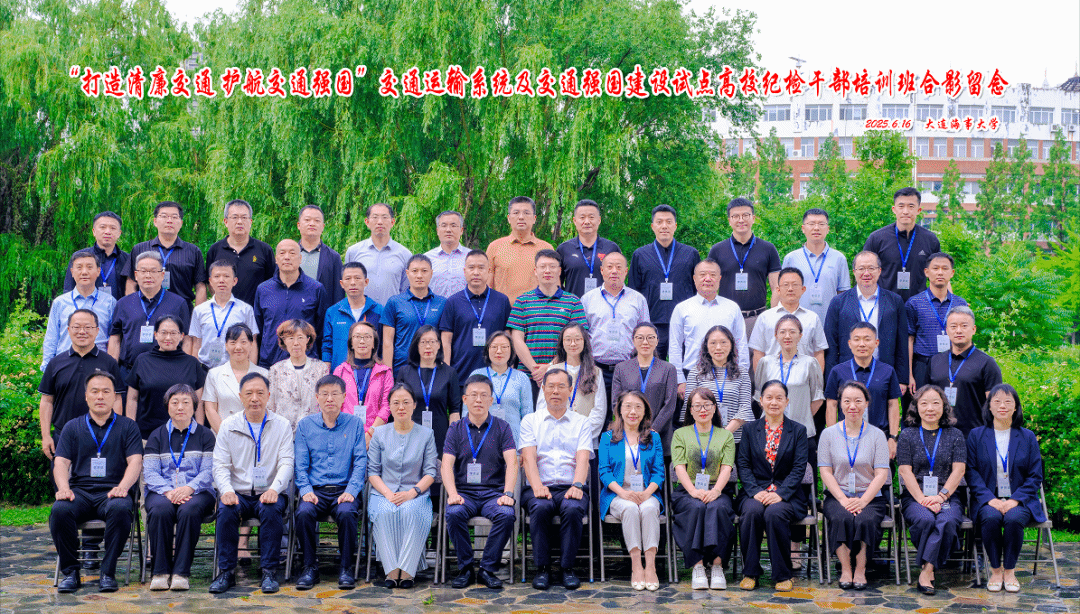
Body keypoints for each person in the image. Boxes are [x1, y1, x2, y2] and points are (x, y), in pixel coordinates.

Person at [50, 370, 143, 593]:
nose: (100, 396)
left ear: (115, 397)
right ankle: (71, 573)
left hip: (113, 492)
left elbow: (135, 461)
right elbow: (61, 462)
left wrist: (123, 487)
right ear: (86, 396)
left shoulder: (128, 426)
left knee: (121, 509)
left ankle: (107, 572)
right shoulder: (72, 427)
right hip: (80, 492)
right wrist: (64, 488)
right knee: (60, 510)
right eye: (95, 391)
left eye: (106, 391)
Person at [209, 372, 294, 594]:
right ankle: (226, 572)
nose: (254, 398)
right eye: (249, 393)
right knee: (226, 511)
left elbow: (286, 462)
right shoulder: (229, 425)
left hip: (270, 491)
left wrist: (275, 489)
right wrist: (226, 490)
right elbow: (220, 464)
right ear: (240, 397)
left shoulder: (282, 425)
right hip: (238, 492)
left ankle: (269, 572)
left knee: (271, 510)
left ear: (268, 396)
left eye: (260, 393)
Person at [966, 384, 1045, 594]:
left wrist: (1015, 499)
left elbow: (1035, 475)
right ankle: (995, 571)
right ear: (989, 406)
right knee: (990, 517)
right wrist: (989, 499)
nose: (1003, 405)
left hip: (1020, 499)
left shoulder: (1027, 437)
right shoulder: (976, 435)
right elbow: (971, 471)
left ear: (1015, 407)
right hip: (988, 499)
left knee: (1013, 518)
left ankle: (1009, 571)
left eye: (1008, 401)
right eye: (997, 401)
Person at [442, 375, 519, 590]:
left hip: (493, 494)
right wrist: (452, 493)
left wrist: (508, 493)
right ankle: (466, 568)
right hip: (464, 493)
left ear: (491, 400)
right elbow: (446, 465)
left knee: (506, 514)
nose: (478, 400)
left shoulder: (502, 427)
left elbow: (512, 463)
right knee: (454, 513)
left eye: (484, 395)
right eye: (474, 395)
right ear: (464, 399)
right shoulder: (455, 428)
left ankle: (487, 569)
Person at [519, 368, 593, 591]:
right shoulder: (531, 420)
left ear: (570, 391)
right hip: (539, 485)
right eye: (550, 386)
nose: (555, 391)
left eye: (561, 386)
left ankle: (566, 568)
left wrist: (577, 485)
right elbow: (528, 458)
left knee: (573, 509)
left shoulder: (582, 422)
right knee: (540, 507)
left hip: (571, 485)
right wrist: (537, 486)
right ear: (543, 389)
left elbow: (583, 458)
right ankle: (542, 569)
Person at [293, 375, 368, 590]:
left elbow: (360, 461)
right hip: (315, 490)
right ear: (317, 397)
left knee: (347, 513)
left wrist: (351, 490)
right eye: (324, 394)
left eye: (335, 394)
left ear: (344, 397)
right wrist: (305, 490)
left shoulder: (355, 424)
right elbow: (300, 464)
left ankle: (346, 568)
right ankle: (309, 567)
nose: (329, 399)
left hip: (344, 490)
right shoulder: (305, 425)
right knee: (304, 513)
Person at [735, 380, 809, 592]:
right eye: (769, 397)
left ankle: (782, 574)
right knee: (751, 512)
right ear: (761, 401)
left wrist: (781, 493)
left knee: (775, 513)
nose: (774, 402)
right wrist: (755, 491)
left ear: (787, 401)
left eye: (779, 398)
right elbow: (743, 464)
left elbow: (799, 467)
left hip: (788, 494)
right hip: (755, 491)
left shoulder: (798, 430)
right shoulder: (750, 429)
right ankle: (750, 572)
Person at [143, 384, 216, 591]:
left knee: (189, 509)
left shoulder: (205, 435)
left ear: (194, 406)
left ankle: (181, 573)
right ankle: (160, 572)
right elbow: (150, 473)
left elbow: (208, 471)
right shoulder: (156, 435)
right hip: (162, 491)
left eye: (185, 402)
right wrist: (168, 491)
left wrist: (189, 488)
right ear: (168, 407)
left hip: (199, 492)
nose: (180, 407)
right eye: (175, 402)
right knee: (160, 509)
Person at [818, 381, 890, 591]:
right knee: (841, 517)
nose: (852, 406)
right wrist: (843, 499)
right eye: (847, 401)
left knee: (865, 520)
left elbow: (881, 474)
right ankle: (846, 568)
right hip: (838, 495)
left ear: (866, 403)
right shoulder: (828, 434)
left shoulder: (877, 435)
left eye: (858, 401)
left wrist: (863, 501)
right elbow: (825, 472)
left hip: (870, 497)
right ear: (840, 403)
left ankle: (860, 569)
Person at [897, 385, 966, 596]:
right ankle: (931, 565)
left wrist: (941, 496)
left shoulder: (955, 435)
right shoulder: (907, 435)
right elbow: (905, 470)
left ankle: (927, 570)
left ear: (944, 406)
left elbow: (959, 469)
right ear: (916, 407)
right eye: (924, 403)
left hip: (948, 495)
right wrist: (922, 499)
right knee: (925, 519)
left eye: (936, 403)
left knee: (948, 520)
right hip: (915, 496)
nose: (930, 408)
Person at [367, 384, 438, 589]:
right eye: (396, 403)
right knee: (384, 512)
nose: (401, 407)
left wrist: (412, 493)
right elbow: (372, 472)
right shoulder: (379, 433)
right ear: (389, 406)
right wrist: (388, 494)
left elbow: (430, 472)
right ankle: (391, 571)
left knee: (412, 512)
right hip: (383, 493)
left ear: (414, 405)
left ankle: (407, 571)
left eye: (406, 402)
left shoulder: (426, 434)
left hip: (416, 494)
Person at [671, 386, 736, 590]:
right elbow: (679, 467)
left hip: (718, 489)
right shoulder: (680, 434)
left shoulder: (725, 436)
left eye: (707, 405)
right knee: (696, 507)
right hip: (687, 490)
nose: (702, 410)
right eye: (697, 406)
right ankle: (697, 565)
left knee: (719, 508)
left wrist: (716, 491)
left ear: (715, 408)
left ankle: (717, 565)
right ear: (690, 410)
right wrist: (693, 491)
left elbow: (727, 468)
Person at [598, 391, 665, 591]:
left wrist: (647, 493)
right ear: (619, 410)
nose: (632, 411)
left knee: (649, 509)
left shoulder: (653, 437)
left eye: (638, 407)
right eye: (627, 406)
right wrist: (623, 493)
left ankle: (650, 566)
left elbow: (659, 472)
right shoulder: (608, 437)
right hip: (617, 494)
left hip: (647, 493)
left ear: (645, 412)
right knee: (630, 509)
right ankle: (636, 566)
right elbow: (604, 471)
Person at [39, 309, 125, 460]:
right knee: (61, 475)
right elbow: (47, 401)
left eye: (88, 327)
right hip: (63, 436)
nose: (82, 332)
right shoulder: (56, 363)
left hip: (101, 436)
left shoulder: (109, 363)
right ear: (68, 330)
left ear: (97, 331)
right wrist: (46, 436)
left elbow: (117, 399)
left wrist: (114, 433)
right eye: (77, 327)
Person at [823, 251, 909, 394]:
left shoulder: (894, 301)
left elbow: (902, 342)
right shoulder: (838, 302)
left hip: (884, 371)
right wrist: (831, 379)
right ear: (854, 272)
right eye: (861, 268)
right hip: (847, 373)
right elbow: (831, 343)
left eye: (871, 268)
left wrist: (902, 378)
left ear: (879, 271)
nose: (866, 273)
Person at [507, 249, 589, 392]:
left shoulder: (573, 301)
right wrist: (535, 370)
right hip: (528, 376)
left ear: (559, 271)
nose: (547, 271)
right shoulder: (522, 301)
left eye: (552, 266)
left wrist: (550, 367)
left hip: (564, 376)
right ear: (535, 271)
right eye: (543, 266)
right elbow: (517, 339)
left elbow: (578, 339)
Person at [628, 204, 701, 360]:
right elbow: (633, 292)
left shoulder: (690, 254)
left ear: (675, 226)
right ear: (652, 226)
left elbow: (698, 290)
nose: (664, 226)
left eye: (669, 222)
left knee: (685, 366)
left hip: (684, 323)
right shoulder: (640, 255)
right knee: (652, 367)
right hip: (652, 324)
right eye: (659, 222)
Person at [669, 259, 749, 396]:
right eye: (702, 274)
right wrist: (679, 380)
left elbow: (740, 343)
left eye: (712, 275)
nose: (708, 279)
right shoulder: (682, 308)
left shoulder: (732, 308)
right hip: (692, 374)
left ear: (719, 279)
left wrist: (742, 373)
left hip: (727, 374)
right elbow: (674, 345)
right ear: (694, 279)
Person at [108, 251, 191, 381]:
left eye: (153, 271)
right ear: (136, 275)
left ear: (162, 275)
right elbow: (115, 339)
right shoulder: (123, 303)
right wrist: (111, 372)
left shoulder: (178, 303)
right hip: (128, 372)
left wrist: (183, 370)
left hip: (166, 372)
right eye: (143, 271)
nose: (148, 275)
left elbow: (186, 339)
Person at [581, 251, 650, 402]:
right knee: (598, 412)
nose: (614, 271)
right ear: (602, 270)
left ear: (626, 271)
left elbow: (646, 336)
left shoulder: (638, 299)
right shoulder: (587, 299)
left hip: (630, 369)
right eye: (610, 267)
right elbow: (582, 336)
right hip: (596, 369)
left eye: (619, 267)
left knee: (628, 410)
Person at [825, 323, 902, 456]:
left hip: (879, 437)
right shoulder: (837, 371)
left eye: (867, 339)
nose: (862, 344)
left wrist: (893, 437)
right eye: (857, 339)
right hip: (846, 438)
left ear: (876, 343)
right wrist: (834, 438)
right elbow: (831, 406)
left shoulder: (887, 371)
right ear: (850, 344)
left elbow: (893, 405)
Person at [708, 198, 782, 335]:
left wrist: (773, 318)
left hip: (757, 319)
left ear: (753, 218)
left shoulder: (768, 249)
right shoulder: (717, 250)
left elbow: (776, 288)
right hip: (725, 319)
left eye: (745, 215)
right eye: (735, 216)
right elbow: (709, 287)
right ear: (729, 220)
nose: (741, 220)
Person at [126, 315, 207, 439]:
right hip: (147, 435)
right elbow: (132, 398)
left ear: (181, 336)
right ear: (155, 335)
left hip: (185, 436)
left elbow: (199, 402)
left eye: (173, 333)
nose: (168, 338)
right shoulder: (142, 360)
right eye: (163, 333)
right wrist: (132, 430)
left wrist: (199, 431)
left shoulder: (192, 363)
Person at [438, 250, 512, 383]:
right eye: (471, 268)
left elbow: (509, 337)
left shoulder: (502, 301)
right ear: (464, 271)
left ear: (489, 271)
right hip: (460, 375)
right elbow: (446, 341)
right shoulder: (453, 302)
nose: (476, 272)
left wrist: (509, 369)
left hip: (496, 375)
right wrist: (446, 373)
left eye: (481, 268)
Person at [928, 306, 1001, 436]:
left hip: (974, 436)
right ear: (947, 330)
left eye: (964, 326)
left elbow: (995, 405)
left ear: (973, 329)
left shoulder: (987, 363)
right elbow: (926, 400)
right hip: (939, 435)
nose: (958, 330)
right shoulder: (935, 361)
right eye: (953, 326)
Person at [534, 324, 607, 452]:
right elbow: (541, 407)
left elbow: (599, 410)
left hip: (586, 441)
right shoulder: (552, 370)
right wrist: (559, 433)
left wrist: (580, 434)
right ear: (562, 343)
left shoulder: (595, 372)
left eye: (577, 339)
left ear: (584, 341)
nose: (573, 343)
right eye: (568, 339)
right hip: (555, 441)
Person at [253, 239, 326, 367]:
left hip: (305, 364)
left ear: (300, 258)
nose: (287, 257)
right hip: (269, 362)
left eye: (292, 253)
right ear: (276, 259)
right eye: (282, 253)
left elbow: (320, 330)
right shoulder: (263, 290)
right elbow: (259, 328)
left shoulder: (316, 289)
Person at [862, 187, 942, 303]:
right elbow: (864, 274)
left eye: (911, 206)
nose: (905, 211)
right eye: (901, 206)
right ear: (894, 209)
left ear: (918, 210)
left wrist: (951, 303)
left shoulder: (930, 240)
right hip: (885, 304)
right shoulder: (877, 238)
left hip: (920, 305)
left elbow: (940, 275)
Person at [42, 250, 117, 370]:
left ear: (98, 271)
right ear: (72, 272)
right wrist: (47, 368)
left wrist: (111, 367)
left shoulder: (110, 302)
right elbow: (51, 338)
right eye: (79, 267)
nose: (84, 272)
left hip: (99, 368)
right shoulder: (60, 303)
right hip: (65, 366)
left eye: (89, 267)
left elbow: (114, 339)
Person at [611, 323, 679, 453]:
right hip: (629, 433)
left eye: (650, 338)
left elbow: (670, 404)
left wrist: (653, 430)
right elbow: (616, 402)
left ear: (657, 341)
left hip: (659, 434)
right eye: (640, 338)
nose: (645, 342)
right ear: (633, 341)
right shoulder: (621, 368)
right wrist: (632, 427)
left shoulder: (668, 369)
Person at [683, 325, 754, 444]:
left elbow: (745, 408)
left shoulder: (741, 373)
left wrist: (724, 434)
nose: (718, 347)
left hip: (735, 440)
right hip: (703, 439)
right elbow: (689, 407)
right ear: (706, 346)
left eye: (723, 342)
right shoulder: (696, 372)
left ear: (731, 345)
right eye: (713, 343)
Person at [125, 201, 206, 306]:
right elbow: (131, 282)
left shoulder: (193, 251)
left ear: (181, 223)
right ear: (155, 221)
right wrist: (134, 309)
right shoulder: (140, 249)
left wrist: (197, 314)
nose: (169, 221)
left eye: (174, 217)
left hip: (182, 310)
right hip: (146, 309)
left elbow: (200, 286)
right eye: (164, 216)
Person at [749, 267, 827, 375]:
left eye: (795, 285)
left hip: (804, 379)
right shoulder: (765, 318)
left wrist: (816, 382)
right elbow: (758, 353)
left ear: (803, 289)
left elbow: (819, 353)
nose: (790, 289)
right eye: (786, 285)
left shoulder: (812, 318)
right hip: (772, 380)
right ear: (778, 290)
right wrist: (761, 382)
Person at [906, 253, 968, 389]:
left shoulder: (960, 304)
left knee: (950, 402)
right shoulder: (914, 303)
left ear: (952, 273)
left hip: (952, 364)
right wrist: (909, 375)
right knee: (921, 401)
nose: (940, 272)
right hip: (922, 365)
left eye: (945, 268)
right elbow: (909, 340)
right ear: (926, 272)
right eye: (935, 268)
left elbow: (966, 339)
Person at [396, 325, 461, 454]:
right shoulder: (405, 372)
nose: (428, 346)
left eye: (432, 342)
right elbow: (397, 406)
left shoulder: (449, 373)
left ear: (439, 345)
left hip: (441, 435)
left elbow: (454, 410)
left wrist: (452, 439)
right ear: (416, 345)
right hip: (410, 434)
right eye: (423, 342)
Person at [781, 208, 850, 324]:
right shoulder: (791, 258)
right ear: (803, 228)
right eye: (811, 224)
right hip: (797, 324)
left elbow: (843, 295)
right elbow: (783, 293)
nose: (816, 228)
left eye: (821, 224)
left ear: (828, 229)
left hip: (830, 324)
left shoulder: (839, 258)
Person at [203, 199, 275, 306]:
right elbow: (210, 283)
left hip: (256, 312)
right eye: (235, 217)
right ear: (226, 222)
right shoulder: (215, 250)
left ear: (250, 222)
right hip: (224, 311)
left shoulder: (264, 250)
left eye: (244, 217)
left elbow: (272, 282)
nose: (239, 222)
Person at [188, 261, 259, 368]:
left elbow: (252, 343)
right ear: (210, 281)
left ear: (234, 281)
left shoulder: (245, 309)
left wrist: (251, 371)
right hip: (205, 369)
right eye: (217, 276)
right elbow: (196, 344)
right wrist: (195, 371)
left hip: (236, 369)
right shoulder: (199, 310)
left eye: (226, 276)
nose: (221, 280)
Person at [332, 321, 393, 444]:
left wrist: (370, 434)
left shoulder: (385, 372)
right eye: (357, 336)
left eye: (367, 337)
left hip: (376, 436)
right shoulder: (340, 371)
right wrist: (344, 432)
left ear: (374, 343)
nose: (362, 341)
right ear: (351, 343)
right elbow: (335, 404)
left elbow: (387, 406)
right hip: (345, 434)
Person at [382, 254, 447, 371]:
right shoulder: (394, 302)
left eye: (424, 271)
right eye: (415, 271)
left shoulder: (442, 303)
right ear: (407, 273)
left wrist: (444, 371)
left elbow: (446, 340)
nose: (419, 275)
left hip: (433, 369)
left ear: (431, 273)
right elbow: (387, 342)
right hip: (402, 368)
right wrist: (388, 374)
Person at [486, 196, 555, 303]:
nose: (521, 217)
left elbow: (552, 286)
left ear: (534, 218)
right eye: (516, 213)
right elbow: (487, 286)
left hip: (537, 310)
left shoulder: (546, 249)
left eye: (526, 213)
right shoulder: (495, 247)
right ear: (509, 218)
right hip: (504, 311)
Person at [203, 324, 269, 433]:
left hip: (255, 435)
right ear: (226, 345)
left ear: (251, 345)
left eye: (243, 342)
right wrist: (225, 436)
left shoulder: (264, 374)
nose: (238, 347)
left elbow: (269, 409)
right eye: (233, 342)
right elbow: (210, 409)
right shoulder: (214, 374)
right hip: (223, 434)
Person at [468, 331, 533, 441]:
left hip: (514, 442)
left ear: (511, 350)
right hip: (481, 442)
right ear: (487, 349)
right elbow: (467, 412)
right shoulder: (477, 376)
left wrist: (526, 446)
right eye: (494, 347)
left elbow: (528, 416)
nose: (499, 351)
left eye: (504, 347)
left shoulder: (522, 378)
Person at [267, 319, 329, 431]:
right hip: (283, 431)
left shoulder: (320, 368)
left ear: (308, 339)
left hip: (314, 430)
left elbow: (325, 402)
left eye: (300, 337)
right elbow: (270, 405)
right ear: (284, 341)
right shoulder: (276, 370)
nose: (296, 343)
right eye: (291, 338)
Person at [344, 203, 412, 305]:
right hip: (362, 312)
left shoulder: (405, 254)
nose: (380, 222)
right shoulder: (353, 252)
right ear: (367, 222)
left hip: (392, 312)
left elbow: (406, 290)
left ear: (392, 222)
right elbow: (348, 285)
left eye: (385, 217)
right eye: (375, 217)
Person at [322, 262, 383, 369]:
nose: (353, 283)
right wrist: (327, 373)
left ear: (366, 282)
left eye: (357, 278)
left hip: (371, 373)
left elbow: (383, 345)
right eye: (348, 279)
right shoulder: (332, 312)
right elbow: (327, 347)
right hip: (340, 373)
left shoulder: (379, 311)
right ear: (341, 283)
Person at [556, 199, 622, 298]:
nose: (587, 222)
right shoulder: (564, 249)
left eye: (591, 217)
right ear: (575, 221)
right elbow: (556, 283)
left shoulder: (611, 248)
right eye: (582, 217)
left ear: (599, 220)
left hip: (605, 306)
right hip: (573, 306)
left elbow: (619, 282)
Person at [63, 211, 129, 301]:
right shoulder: (79, 257)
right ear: (94, 231)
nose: (107, 232)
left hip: (119, 309)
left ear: (119, 233)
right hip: (86, 308)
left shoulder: (127, 259)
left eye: (113, 228)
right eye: (103, 227)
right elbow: (69, 288)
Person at [297, 204, 345, 319]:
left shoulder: (333, 257)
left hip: (323, 318)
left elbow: (338, 295)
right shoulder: (288, 255)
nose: (312, 223)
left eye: (317, 220)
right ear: (299, 225)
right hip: (294, 316)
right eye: (307, 220)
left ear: (323, 227)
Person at [425, 210, 471, 298]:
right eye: (444, 226)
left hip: (465, 306)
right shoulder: (426, 259)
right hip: (435, 306)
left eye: (453, 225)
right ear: (437, 230)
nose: (448, 230)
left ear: (461, 230)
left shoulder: (472, 257)